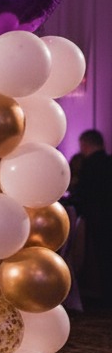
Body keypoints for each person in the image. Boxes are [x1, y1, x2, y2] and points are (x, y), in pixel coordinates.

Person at [68, 129, 112, 307]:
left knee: (103, 258)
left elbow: (83, 195)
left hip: (98, 218)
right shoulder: (109, 162)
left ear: (85, 144)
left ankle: (107, 298)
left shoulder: (89, 165)